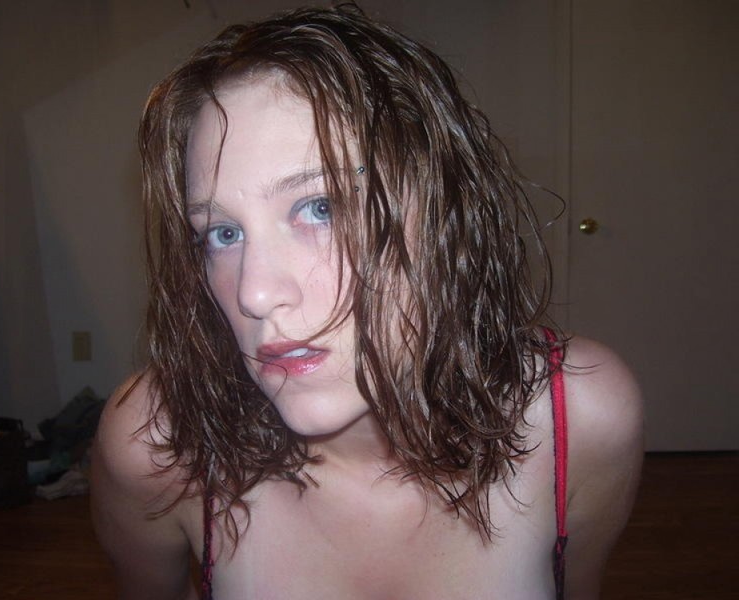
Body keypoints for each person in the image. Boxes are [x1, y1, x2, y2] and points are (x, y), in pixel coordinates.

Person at [91, 4, 643, 599]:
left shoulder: (576, 416)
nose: (255, 293)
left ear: (445, 213)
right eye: (222, 233)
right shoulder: (158, 444)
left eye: (320, 207)